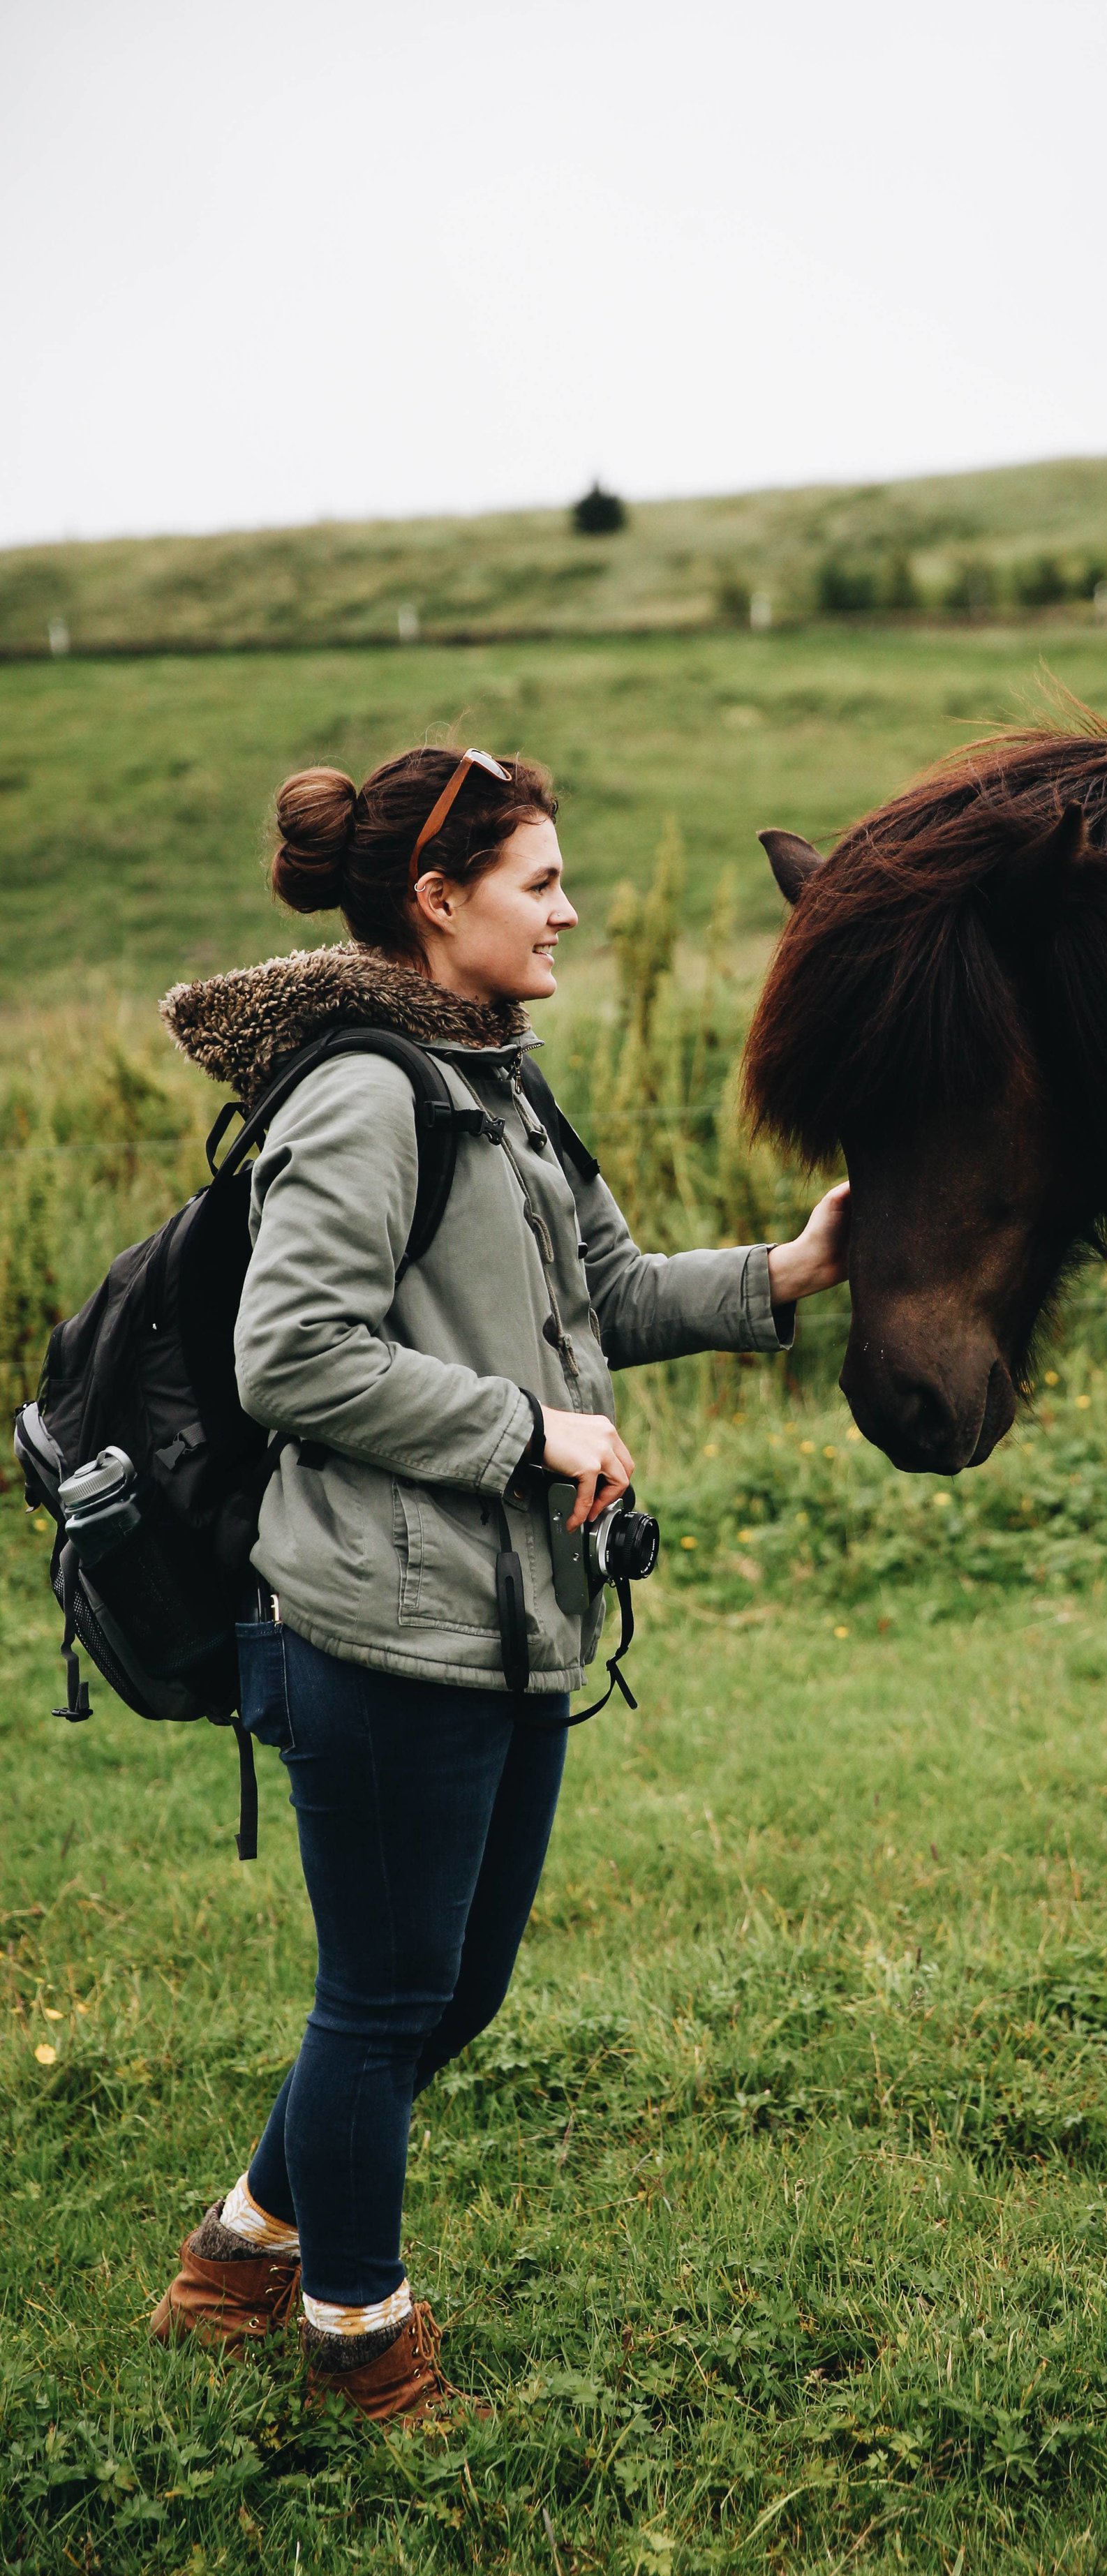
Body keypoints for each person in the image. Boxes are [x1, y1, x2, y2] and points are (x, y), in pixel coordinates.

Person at [149, 744, 847, 2425]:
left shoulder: (496, 1077)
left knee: (447, 1989)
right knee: (385, 1996)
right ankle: (356, 2337)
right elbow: (290, 1355)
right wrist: (519, 1429)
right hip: (380, 1622)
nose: (571, 909)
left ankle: (239, 2250)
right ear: (436, 901)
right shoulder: (365, 1089)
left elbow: (597, 1285)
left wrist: (790, 1269)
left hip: (504, 1616)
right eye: (540, 883)